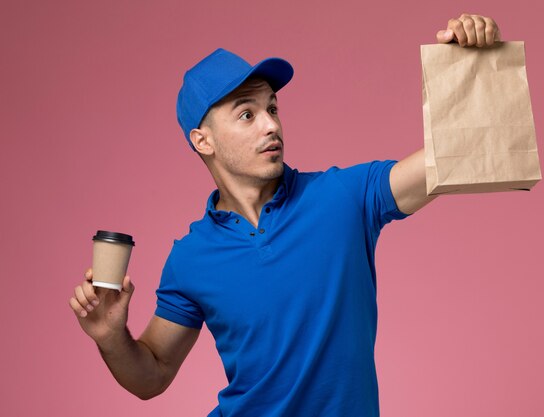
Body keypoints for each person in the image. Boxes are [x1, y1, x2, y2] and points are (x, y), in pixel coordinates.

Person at [70, 13, 501, 417]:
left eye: (272, 108)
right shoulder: (190, 257)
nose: (271, 125)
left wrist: (468, 67)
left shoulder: (343, 197)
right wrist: (111, 337)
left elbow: (456, 158)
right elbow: (153, 374)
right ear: (204, 141)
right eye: (247, 114)